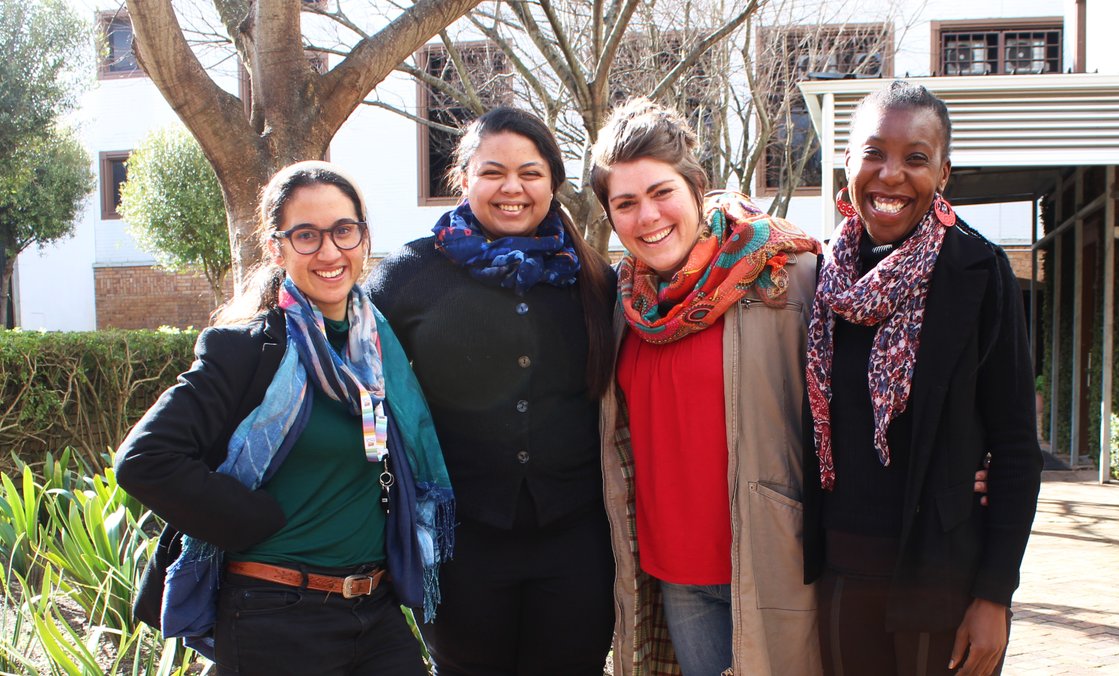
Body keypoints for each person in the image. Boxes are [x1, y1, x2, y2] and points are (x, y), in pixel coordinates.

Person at [115, 161, 454, 675]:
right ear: (277, 248)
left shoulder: (381, 352)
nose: (329, 251)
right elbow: (144, 460)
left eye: (343, 231)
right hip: (275, 614)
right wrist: (252, 520)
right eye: (306, 235)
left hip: (375, 610)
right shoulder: (247, 351)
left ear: (363, 238)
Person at [803, 80, 1043, 676]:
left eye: (916, 158)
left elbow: (1015, 446)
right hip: (836, 572)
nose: (891, 176)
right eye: (874, 153)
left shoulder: (977, 272)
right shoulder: (817, 271)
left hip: (943, 578)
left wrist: (995, 596)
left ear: (943, 174)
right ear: (848, 162)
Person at [365, 108, 616, 675]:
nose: (512, 188)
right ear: (465, 179)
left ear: (553, 182)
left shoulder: (595, 279)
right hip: (461, 547)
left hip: (575, 543)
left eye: (530, 173)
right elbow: (345, 352)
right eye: (493, 172)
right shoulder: (411, 274)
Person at [589, 98, 824, 675]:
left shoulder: (781, 276)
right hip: (676, 572)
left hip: (774, 562)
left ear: (696, 187)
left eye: (661, 192)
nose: (647, 217)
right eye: (626, 203)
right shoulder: (622, 307)